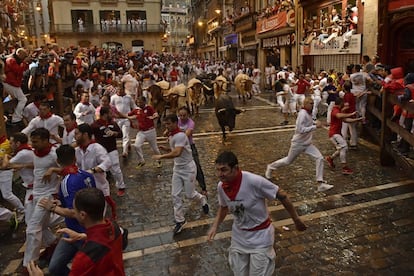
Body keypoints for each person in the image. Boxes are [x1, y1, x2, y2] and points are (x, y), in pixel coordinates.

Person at [207, 151, 307, 276]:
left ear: (236, 168)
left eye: (224, 170)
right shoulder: (221, 186)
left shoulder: (254, 181)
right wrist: (215, 226)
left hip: (261, 238)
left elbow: (282, 195)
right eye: (217, 170)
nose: (219, 174)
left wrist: (296, 220)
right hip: (239, 238)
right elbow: (223, 207)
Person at [27, 188, 126, 276]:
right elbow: (106, 240)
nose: (73, 212)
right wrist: (83, 236)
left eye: (75, 210)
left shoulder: (84, 258)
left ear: (82, 215)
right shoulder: (115, 227)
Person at [38, 145, 96, 275]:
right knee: (55, 267)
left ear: (58, 161)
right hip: (72, 232)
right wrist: (60, 202)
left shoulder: (67, 182)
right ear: (75, 158)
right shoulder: (86, 175)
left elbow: (73, 212)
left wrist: (52, 207)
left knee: (89, 269)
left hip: (82, 232)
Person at [152, 114, 209, 235]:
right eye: (165, 124)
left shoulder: (181, 136)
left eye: (168, 124)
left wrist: (161, 156)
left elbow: (177, 153)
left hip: (188, 169)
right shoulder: (172, 136)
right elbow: (176, 150)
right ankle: (180, 220)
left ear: (175, 123)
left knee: (190, 194)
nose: (166, 127)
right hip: (177, 169)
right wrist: (167, 149)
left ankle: (202, 199)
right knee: (175, 195)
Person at [265, 97, 334, 192]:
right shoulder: (302, 114)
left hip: (307, 144)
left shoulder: (308, 113)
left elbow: (309, 122)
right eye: (310, 103)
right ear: (305, 104)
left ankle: (320, 183)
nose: (312, 105)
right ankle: (271, 167)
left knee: (319, 158)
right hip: (298, 144)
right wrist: (315, 127)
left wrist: (318, 123)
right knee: (288, 161)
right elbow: (300, 130)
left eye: (313, 103)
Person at [23, 128, 61, 270]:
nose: (33, 145)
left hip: (47, 196)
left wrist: (53, 170)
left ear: (46, 141)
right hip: (35, 193)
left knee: (32, 229)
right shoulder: (35, 153)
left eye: (36, 142)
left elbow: (67, 168)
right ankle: (53, 245)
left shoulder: (53, 154)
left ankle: (29, 265)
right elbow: (35, 166)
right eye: (32, 141)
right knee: (41, 225)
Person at [74, 123, 117, 220]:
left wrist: (92, 170)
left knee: (97, 220)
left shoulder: (97, 148)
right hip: (84, 190)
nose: (75, 137)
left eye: (77, 134)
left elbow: (107, 163)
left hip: (99, 189)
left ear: (85, 135)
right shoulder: (77, 151)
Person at [91, 106, 126, 197]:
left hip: (111, 149)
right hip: (100, 152)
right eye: (110, 113)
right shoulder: (95, 125)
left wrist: (114, 133)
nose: (112, 115)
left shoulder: (113, 123)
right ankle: (101, 189)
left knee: (116, 168)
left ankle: (121, 186)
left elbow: (121, 134)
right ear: (105, 114)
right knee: (100, 171)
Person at [3, 132, 34, 225]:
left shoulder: (22, 153)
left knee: (31, 221)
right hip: (32, 187)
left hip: (34, 188)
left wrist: (5, 156)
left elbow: (5, 165)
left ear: (18, 143)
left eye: (11, 143)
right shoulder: (25, 151)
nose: (10, 145)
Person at [325, 98, 363, 175]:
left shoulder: (338, 110)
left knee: (341, 148)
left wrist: (357, 119)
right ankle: (344, 167)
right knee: (344, 147)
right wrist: (351, 114)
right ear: (341, 103)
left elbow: (346, 120)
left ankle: (330, 159)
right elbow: (339, 116)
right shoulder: (335, 110)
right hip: (334, 133)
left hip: (336, 133)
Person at [177, 106, 207, 196]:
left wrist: (176, 134)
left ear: (188, 115)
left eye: (184, 115)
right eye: (180, 115)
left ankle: (203, 187)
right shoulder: (177, 121)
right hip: (179, 147)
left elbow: (187, 134)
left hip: (190, 147)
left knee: (197, 166)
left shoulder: (191, 123)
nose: (182, 117)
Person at [127, 96, 162, 169]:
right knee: (136, 146)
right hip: (141, 132)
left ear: (144, 102)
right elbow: (128, 115)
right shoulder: (136, 110)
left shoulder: (149, 108)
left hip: (151, 131)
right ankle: (141, 161)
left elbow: (155, 114)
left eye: (140, 102)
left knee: (154, 148)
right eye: (138, 102)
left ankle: (159, 161)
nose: (139, 104)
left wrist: (154, 117)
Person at [3, 48, 29, 125]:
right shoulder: (11, 60)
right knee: (23, 99)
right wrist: (24, 63)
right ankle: (16, 118)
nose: (24, 58)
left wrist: (25, 63)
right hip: (9, 82)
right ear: (19, 54)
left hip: (13, 82)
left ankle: (8, 113)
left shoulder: (17, 60)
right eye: (24, 56)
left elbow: (24, 68)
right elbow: (18, 70)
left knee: (12, 98)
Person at [110, 83, 136, 158]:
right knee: (117, 134)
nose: (119, 91)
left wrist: (138, 112)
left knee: (125, 134)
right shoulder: (113, 97)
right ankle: (128, 144)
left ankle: (125, 151)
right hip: (117, 119)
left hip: (126, 118)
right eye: (118, 89)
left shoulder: (128, 97)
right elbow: (111, 107)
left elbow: (133, 106)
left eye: (120, 89)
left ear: (123, 89)